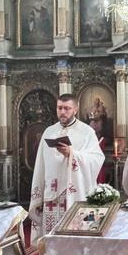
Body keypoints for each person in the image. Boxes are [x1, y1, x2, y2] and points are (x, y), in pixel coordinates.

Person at [29, 93, 104, 242]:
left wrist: (72, 154)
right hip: (52, 193)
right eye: (59, 108)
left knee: (76, 237)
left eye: (67, 108)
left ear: (75, 109)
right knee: (51, 240)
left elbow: (97, 159)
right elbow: (40, 165)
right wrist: (39, 191)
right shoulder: (49, 132)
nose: (62, 112)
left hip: (76, 193)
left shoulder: (87, 132)